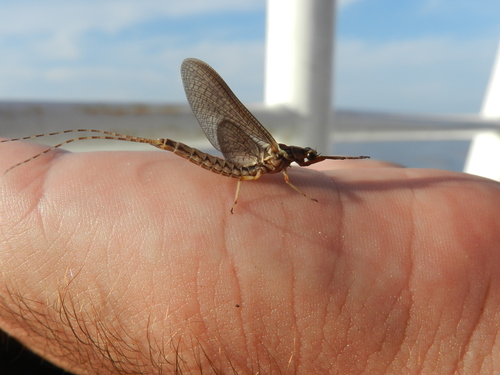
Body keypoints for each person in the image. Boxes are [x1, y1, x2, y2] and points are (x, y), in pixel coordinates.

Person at [0, 139, 499, 374]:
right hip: (233, 170)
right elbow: (256, 177)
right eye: (304, 160)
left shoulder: (286, 161)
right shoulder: (274, 164)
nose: (305, 164)